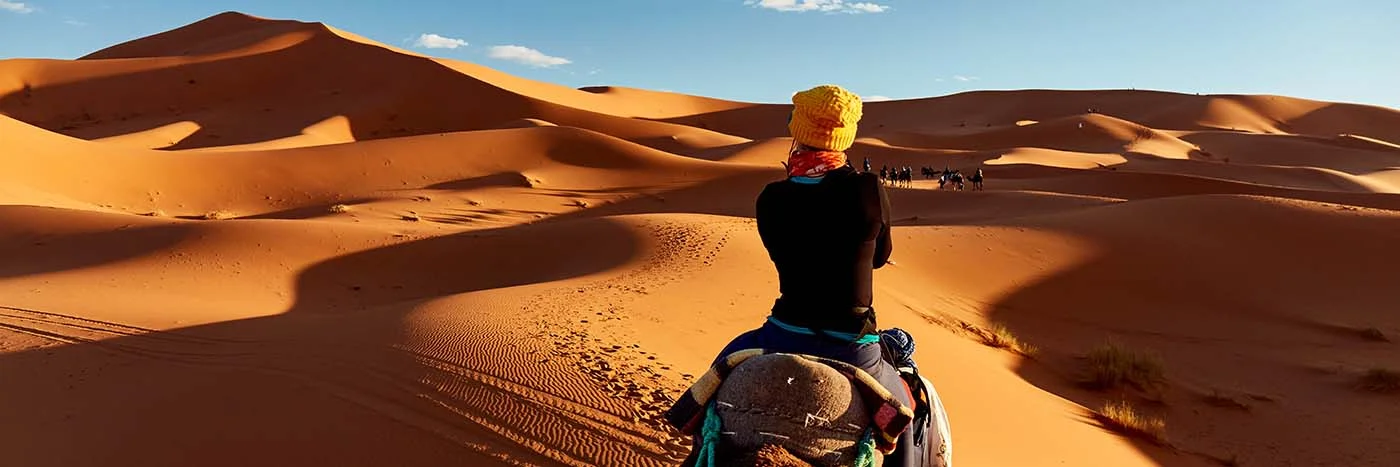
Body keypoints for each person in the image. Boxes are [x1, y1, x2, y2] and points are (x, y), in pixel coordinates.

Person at [676, 84, 933, 466]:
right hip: (851, 343)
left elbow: (781, 252)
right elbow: (882, 257)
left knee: (714, 388)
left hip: (782, 331)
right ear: (846, 135)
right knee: (907, 413)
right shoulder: (867, 189)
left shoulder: (771, 198)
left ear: (798, 131)